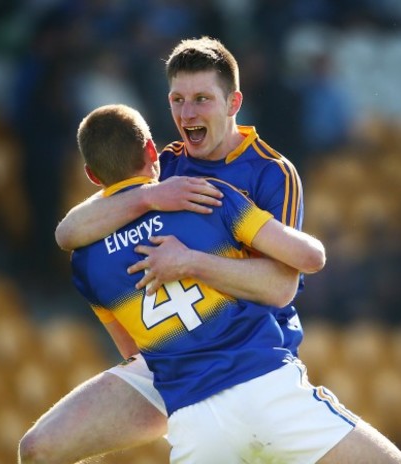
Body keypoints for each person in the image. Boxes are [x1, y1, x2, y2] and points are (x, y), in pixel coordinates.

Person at [19, 37, 401, 463]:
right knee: (39, 449)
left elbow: (280, 287)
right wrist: (149, 198)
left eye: (202, 99)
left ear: (233, 102)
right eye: (177, 100)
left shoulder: (271, 171)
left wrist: (189, 262)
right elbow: (68, 231)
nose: (187, 114)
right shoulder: (164, 167)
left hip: (244, 352)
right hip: (170, 360)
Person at [68, 102, 354, 463]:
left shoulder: (85, 262)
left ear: (92, 176)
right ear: (152, 151)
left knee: (35, 450)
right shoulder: (206, 196)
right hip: (262, 383)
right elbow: (310, 258)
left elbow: (134, 353)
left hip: (191, 421)